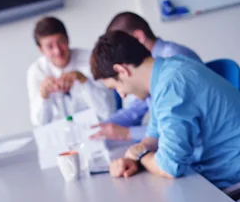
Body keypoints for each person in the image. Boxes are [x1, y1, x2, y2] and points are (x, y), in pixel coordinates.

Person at [90, 31, 240, 189]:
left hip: (231, 182)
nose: (122, 94)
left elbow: (169, 167)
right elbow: (154, 136)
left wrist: (142, 157)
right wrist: (132, 157)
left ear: (121, 70)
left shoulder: (172, 85)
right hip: (212, 176)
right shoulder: (167, 71)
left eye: (116, 86)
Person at [91, 12, 202, 141]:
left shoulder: (173, 62)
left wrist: (128, 134)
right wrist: (101, 128)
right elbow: (137, 109)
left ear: (138, 37)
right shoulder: (150, 73)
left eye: (120, 44)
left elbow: (176, 131)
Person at [27, 16, 115, 126]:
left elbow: (108, 112)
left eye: (60, 42)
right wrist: (44, 96)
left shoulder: (91, 59)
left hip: (96, 130)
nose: (57, 51)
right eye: (50, 46)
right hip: (59, 136)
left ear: (68, 39)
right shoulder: (36, 71)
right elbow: (39, 123)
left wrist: (83, 81)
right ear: (41, 49)